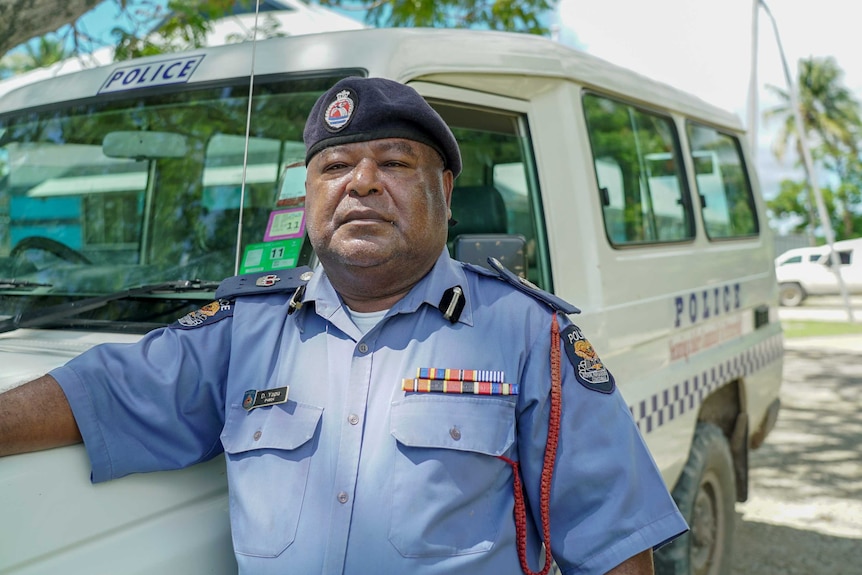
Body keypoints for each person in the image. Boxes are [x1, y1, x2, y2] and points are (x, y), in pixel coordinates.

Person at [0, 76, 687, 574]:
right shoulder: (246, 328)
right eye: (334, 167)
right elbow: (99, 391)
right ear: (309, 198)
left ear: (444, 192)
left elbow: (615, 545)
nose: (360, 183)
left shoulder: (524, 334)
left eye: (392, 163)